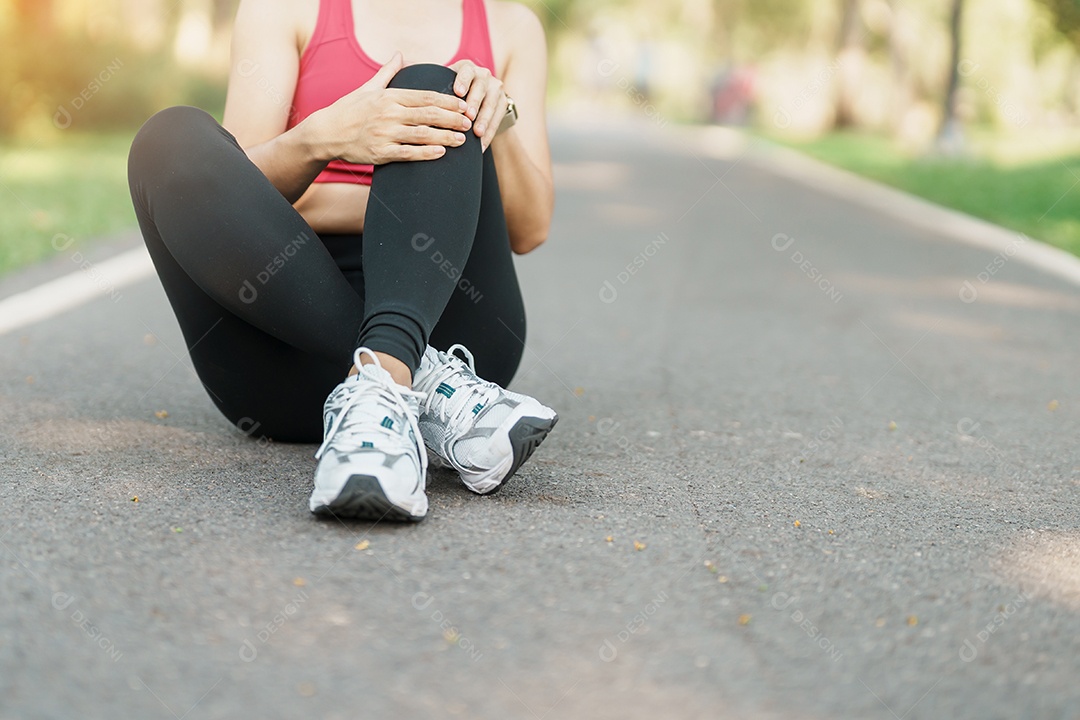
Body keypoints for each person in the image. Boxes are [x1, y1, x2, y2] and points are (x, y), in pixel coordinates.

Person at [126, 0, 558, 522]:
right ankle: (418, 379)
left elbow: (529, 228)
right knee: (168, 140)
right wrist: (323, 139)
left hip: (456, 328)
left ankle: (393, 376)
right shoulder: (280, 10)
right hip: (283, 363)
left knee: (436, 88)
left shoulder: (512, 26)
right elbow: (227, 198)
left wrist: (495, 115)